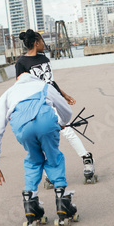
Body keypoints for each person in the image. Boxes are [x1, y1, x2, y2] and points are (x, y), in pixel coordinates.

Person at [0, 72, 78, 226]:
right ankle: (63, 203)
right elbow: (66, 109)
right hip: (46, 122)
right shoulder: (44, 86)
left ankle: (31, 205)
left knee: (33, 160)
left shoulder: (8, 93)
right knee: (54, 158)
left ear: (17, 80)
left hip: (22, 127)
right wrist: (62, 123)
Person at [16, 29, 95, 185]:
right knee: (48, 135)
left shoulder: (44, 58)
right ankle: (82, 158)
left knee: (63, 130)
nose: (44, 44)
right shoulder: (21, 63)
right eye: (42, 41)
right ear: (36, 43)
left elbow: (50, 82)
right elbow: (20, 88)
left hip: (54, 100)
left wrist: (64, 95)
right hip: (38, 105)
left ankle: (85, 158)